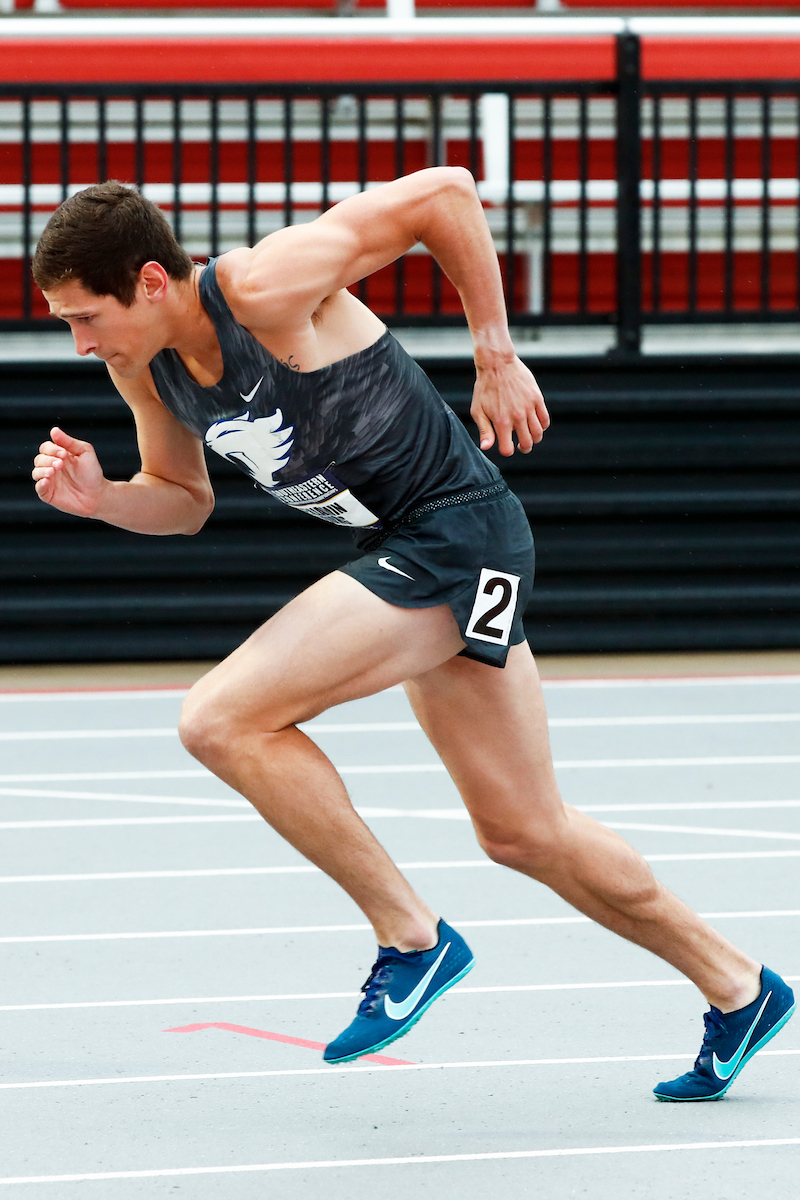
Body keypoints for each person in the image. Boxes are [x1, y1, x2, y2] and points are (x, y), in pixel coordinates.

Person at [31, 173, 793, 1099]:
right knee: (524, 830)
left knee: (220, 719)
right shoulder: (138, 364)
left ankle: (412, 939)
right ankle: (739, 987)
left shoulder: (264, 287)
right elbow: (185, 502)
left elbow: (448, 195)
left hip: (456, 529)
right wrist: (105, 499)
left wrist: (495, 354)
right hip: (415, 547)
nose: (79, 343)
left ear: (151, 281)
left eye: (84, 317)